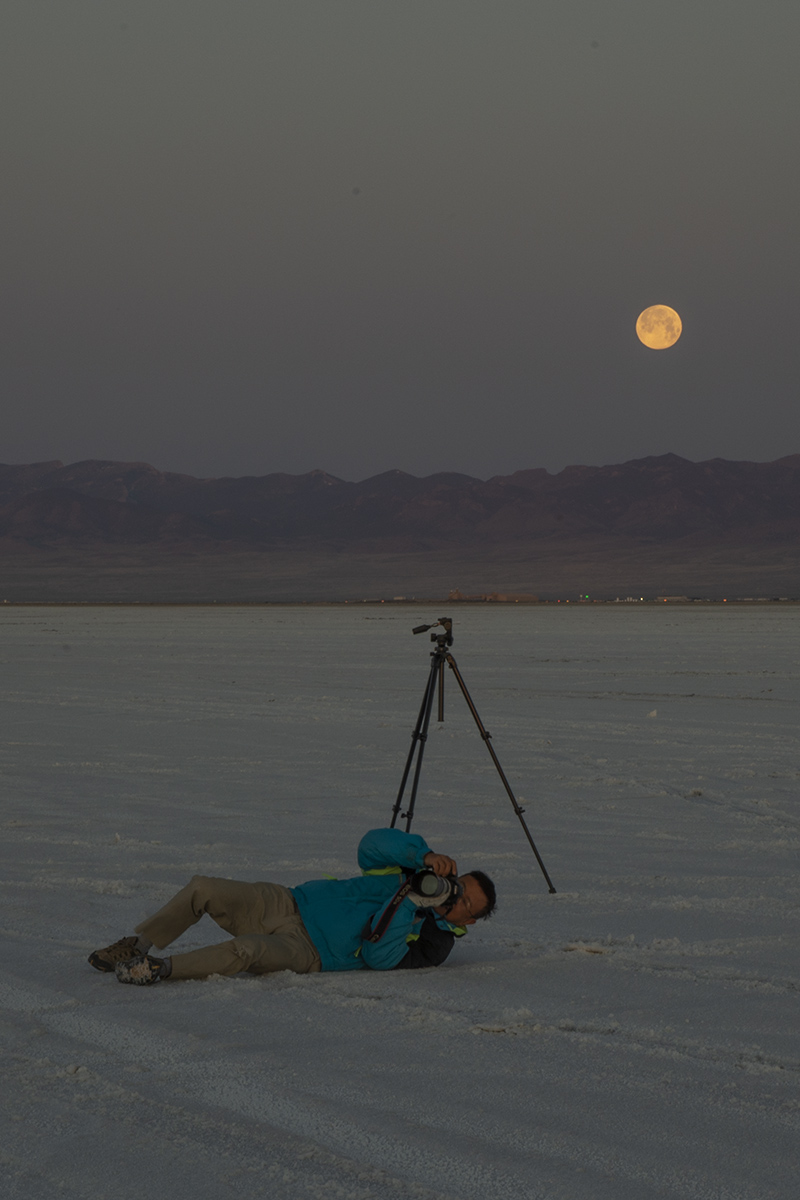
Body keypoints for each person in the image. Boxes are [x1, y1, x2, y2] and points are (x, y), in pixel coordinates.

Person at [88, 827, 497, 986]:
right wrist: (422, 856)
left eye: (465, 904)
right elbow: (369, 846)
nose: (455, 898)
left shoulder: (435, 945)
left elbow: (379, 956)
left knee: (245, 950)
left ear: (470, 922)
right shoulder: (413, 871)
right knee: (203, 888)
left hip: (312, 951)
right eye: (459, 887)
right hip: (290, 900)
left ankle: (158, 970)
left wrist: (409, 904)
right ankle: (137, 945)